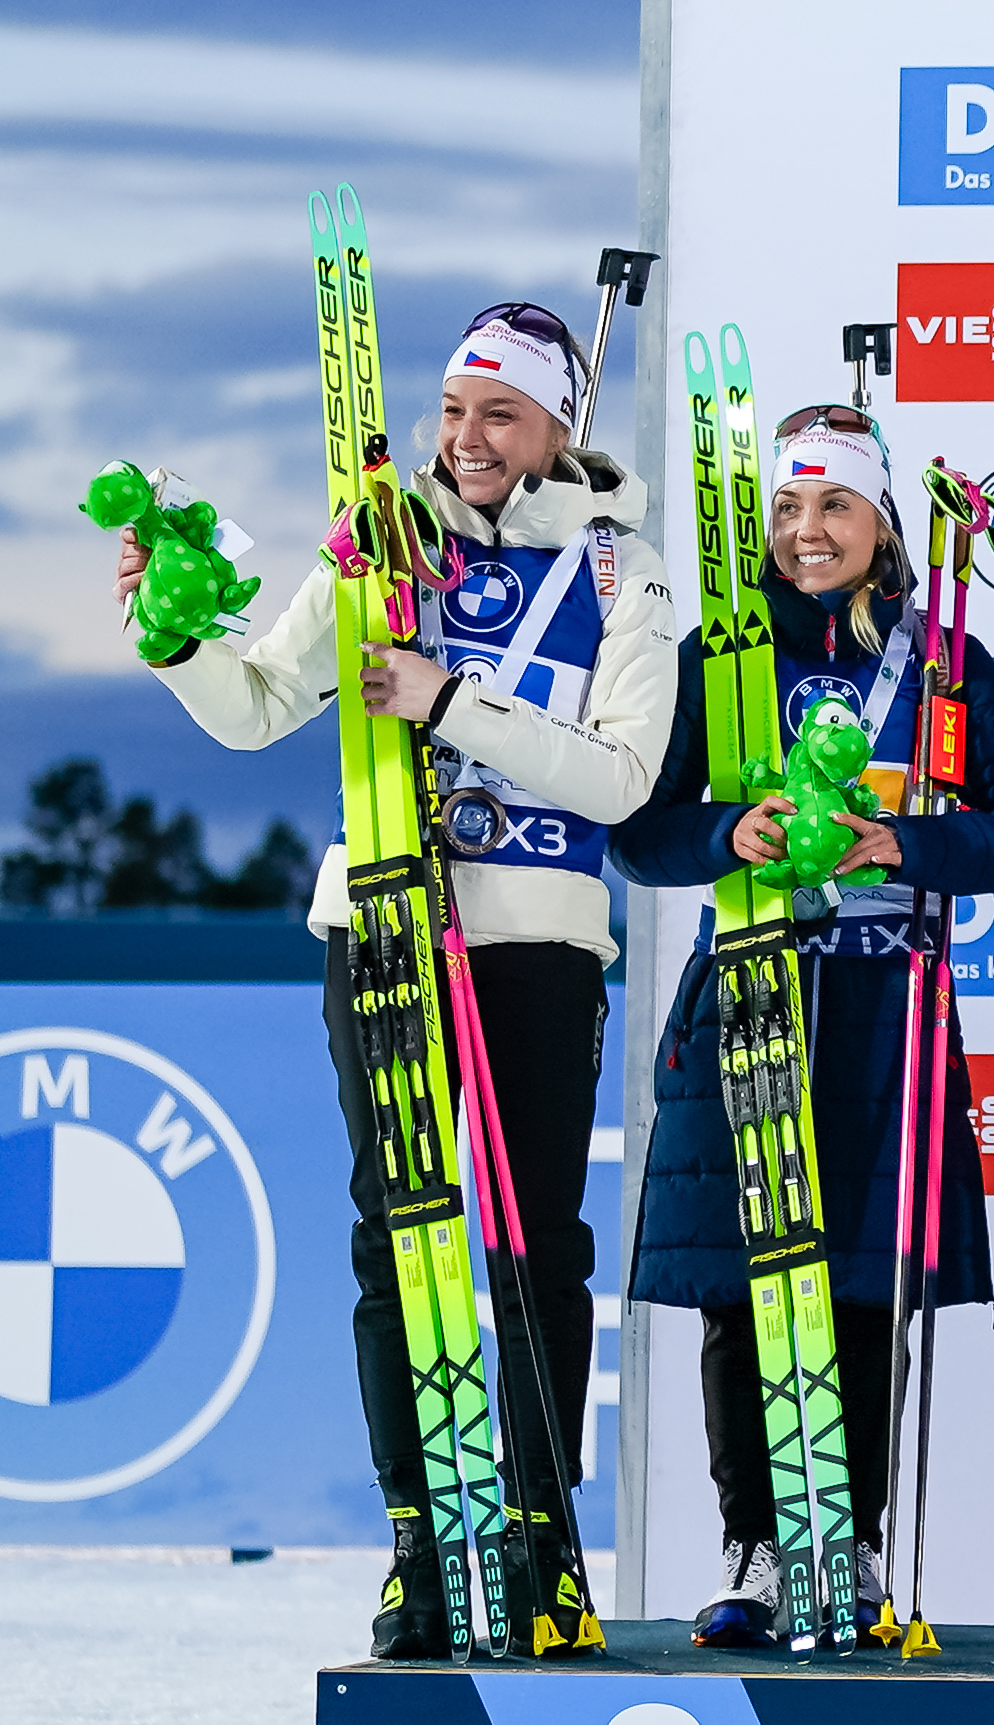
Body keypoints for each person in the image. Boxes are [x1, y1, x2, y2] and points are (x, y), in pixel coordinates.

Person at [130, 301, 678, 1656]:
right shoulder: (386, 544)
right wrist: (176, 633)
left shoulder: (624, 571)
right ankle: (419, 1543)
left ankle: (541, 1541)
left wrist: (446, 700)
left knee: (531, 1248)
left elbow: (622, 776)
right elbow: (262, 703)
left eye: (499, 413)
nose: (467, 438)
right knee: (397, 1237)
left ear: (561, 427)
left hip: (538, 938)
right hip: (378, 921)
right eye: (451, 409)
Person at [617, 400, 994, 1647]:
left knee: (868, 1284)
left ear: (881, 525)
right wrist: (725, 832)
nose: (809, 532)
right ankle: (756, 1544)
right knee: (738, 1289)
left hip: (886, 990)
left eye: (836, 506)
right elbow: (637, 831)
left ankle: (848, 1544)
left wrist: (901, 840)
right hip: (752, 982)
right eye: (789, 509)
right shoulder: (722, 653)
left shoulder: (944, 660)